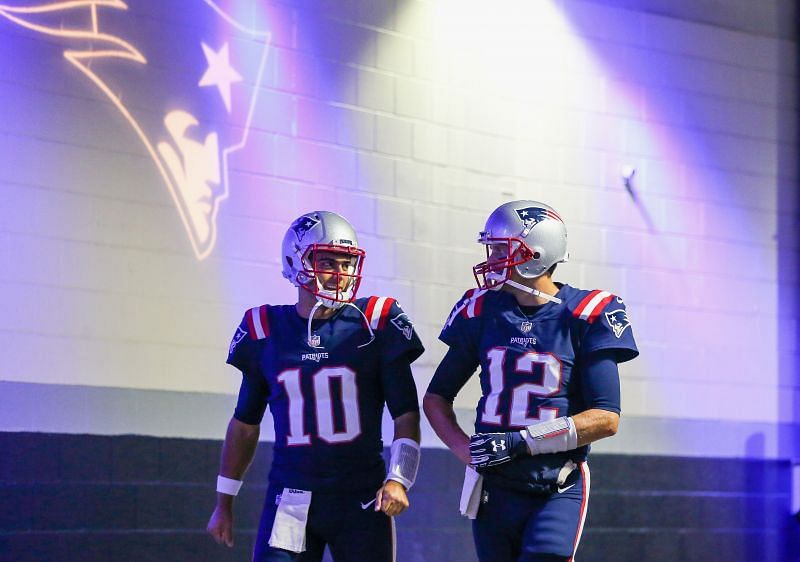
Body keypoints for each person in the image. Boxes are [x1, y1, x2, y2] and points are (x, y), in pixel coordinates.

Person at [423, 200, 638, 562]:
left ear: (536, 254)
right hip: (494, 487)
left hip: (556, 483)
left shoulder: (587, 313)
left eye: (501, 249)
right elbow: (436, 397)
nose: (491, 258)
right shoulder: (481, 308)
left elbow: (606, 418)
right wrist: (465, 450)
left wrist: (520, 442)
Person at [207, 211, 424, 562]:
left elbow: (406, 415)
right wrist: (224, 501)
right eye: (326, 261)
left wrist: (399, 478)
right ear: (294, 261)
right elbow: (245, 425)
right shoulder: (265, 327)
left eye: (346, 262)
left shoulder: (375, 322)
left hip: (361, 500)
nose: (339, 273)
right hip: (291, 498)